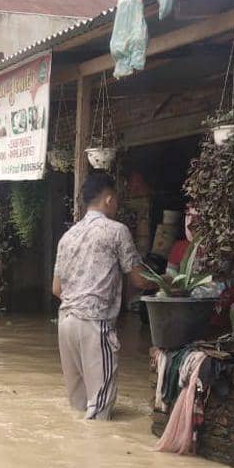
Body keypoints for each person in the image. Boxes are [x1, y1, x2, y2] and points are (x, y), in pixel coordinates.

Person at [52, 172, 154, 420]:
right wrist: (170, 282)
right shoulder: (117, 231)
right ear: (109, 199)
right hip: (94, 325)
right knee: (99, 409)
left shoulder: (67, 237)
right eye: (116, 199)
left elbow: (56, 288)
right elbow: (139, 280)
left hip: (65, 323)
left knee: (78, 405)